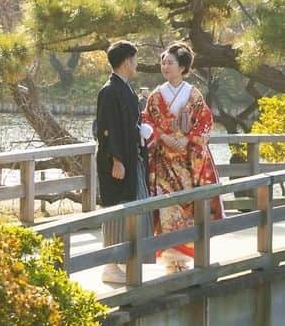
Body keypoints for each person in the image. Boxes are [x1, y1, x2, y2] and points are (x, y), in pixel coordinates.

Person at [143, 41, 224, 271]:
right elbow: (147, 120)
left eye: (170, 62)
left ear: (182, 67)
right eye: (163, 62)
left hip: (188, 162)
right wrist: (162, 136)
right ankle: (172, 260)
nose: (165, 66)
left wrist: (187, 139)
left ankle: (184, 259)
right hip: (163, 163)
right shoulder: (156, 96)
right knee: (168, 208)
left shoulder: (194, 95)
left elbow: (205, 122)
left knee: (186, 208)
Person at [95, 39, 151, 285]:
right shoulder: (109, 90)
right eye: (135, 59)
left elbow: (128, 125)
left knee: (135, 208)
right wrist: (116, 159)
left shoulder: (124, 89)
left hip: (131, 158)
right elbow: (106, 129)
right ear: (127, 61)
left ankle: (127, 260)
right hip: (117, 161)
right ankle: (110, 264)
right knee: (117, 211)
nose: (136, 64)